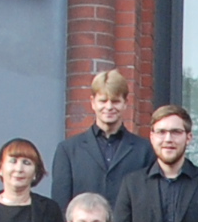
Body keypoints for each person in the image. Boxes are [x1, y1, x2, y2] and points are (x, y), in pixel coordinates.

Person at [53, 69, 149, 213]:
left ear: (125, 103)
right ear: (93, 102)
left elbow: (148, 203)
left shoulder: (144, 150)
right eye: (103, 101)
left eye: (115, 101)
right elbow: (61, 206)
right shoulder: (68, 150)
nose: (109, 107)